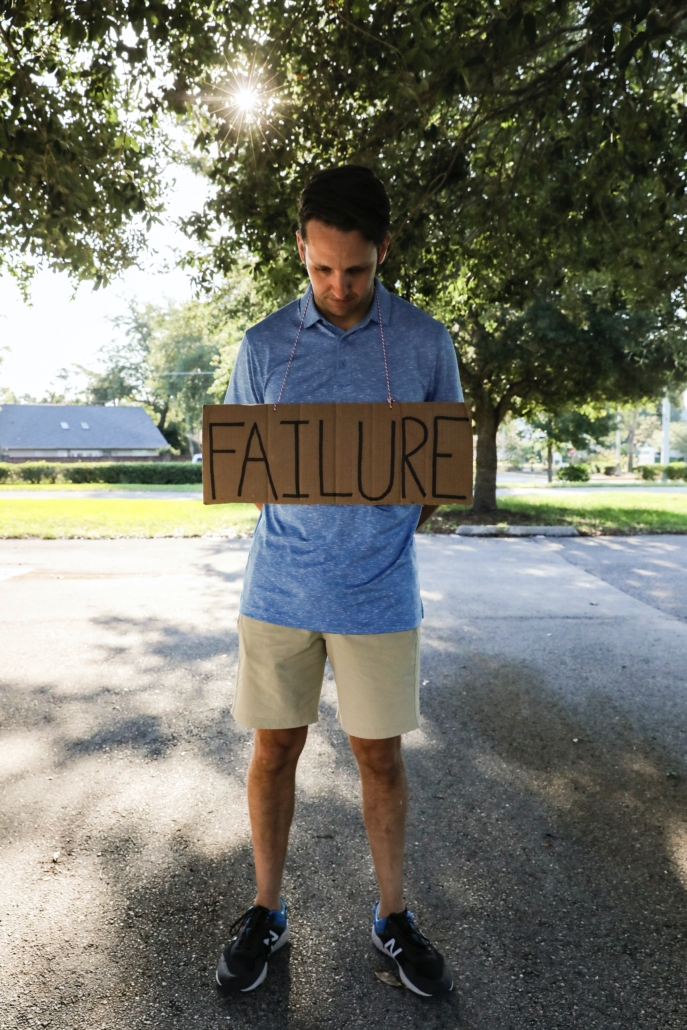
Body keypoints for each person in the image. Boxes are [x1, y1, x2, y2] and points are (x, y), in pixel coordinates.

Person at [215, 165, 463, 998]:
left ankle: (393, 918)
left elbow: (435, 477)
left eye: (354, 269)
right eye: (321, 268)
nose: (337, 285)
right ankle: (265, 911)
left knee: (378, 757)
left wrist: (376, 534)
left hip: (379, 595)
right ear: (301, 249)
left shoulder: (427, 344)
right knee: (273, 750)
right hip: (279, 590)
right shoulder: (260, 347)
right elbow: (244, 470)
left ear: (382, 250)